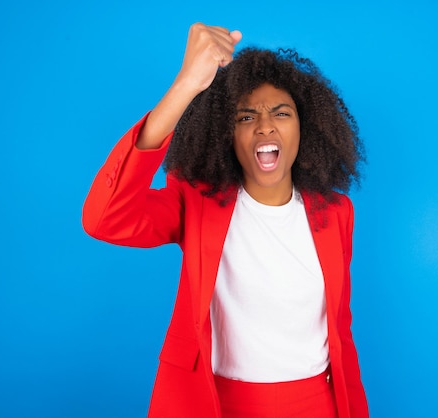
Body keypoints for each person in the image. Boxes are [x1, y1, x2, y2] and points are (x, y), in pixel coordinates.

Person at [82, 22, 369, 418]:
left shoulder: (336, 213)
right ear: (227, 134)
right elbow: (105, 217)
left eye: (281, 113)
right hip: (216, 404)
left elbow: (339, 332)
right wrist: (186, 85)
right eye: (246, 117)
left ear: (306, 128)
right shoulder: (197, 203)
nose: (266, 126)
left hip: (316, 405)